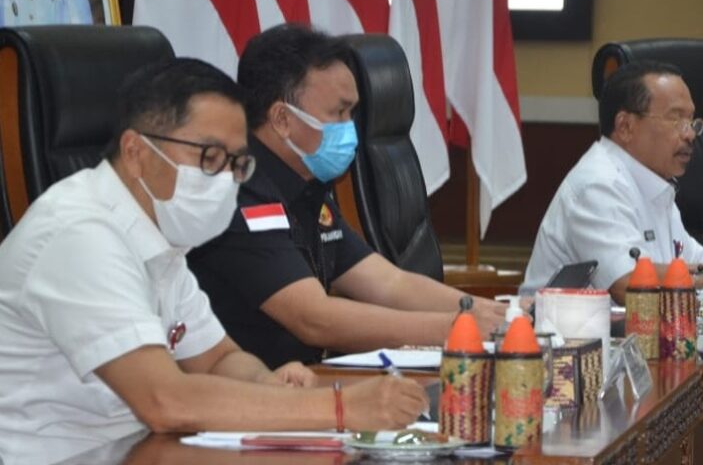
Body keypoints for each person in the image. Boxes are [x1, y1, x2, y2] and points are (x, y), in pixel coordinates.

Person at [0, 58, 426, 465]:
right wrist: (337, 407)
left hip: (145, 449)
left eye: (236, 163)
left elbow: (217, 359)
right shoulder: (79, 236)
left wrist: (266, 383)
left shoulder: (160, 235)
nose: (224, 179)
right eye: (209, 157)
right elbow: (165, 401)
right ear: (135, 152)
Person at [188, 24, 505, 369]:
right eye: (338, 113)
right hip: (248, 395)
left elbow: (389, 283)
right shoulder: (242, 191)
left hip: (305, 384)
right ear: (282, 119)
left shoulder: (307, 187)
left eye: (352, 114)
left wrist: (485, 312)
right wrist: (456, 327)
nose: (350, 127)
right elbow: (315, 319)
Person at [522, 60, 703, 304]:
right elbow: (629, 283)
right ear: (625, 126)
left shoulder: (655, 184)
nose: (690, 134)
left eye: (692, 122)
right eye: (676, 119)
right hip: (558, 338)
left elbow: (699, 265)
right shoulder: (598, 184)